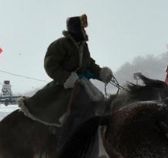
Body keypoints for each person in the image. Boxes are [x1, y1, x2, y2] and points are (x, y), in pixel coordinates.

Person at [19, 14, 113, 147]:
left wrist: (101, 73)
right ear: (76, 29)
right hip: (64, 86)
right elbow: (50, 65)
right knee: (72, 109)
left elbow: (89, 64)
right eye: (82, 28)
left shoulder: (83, 47)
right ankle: (65, 143)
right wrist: (66, 78)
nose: (85, 31)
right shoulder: (60, 45)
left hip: (82, 84)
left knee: (98, 104)